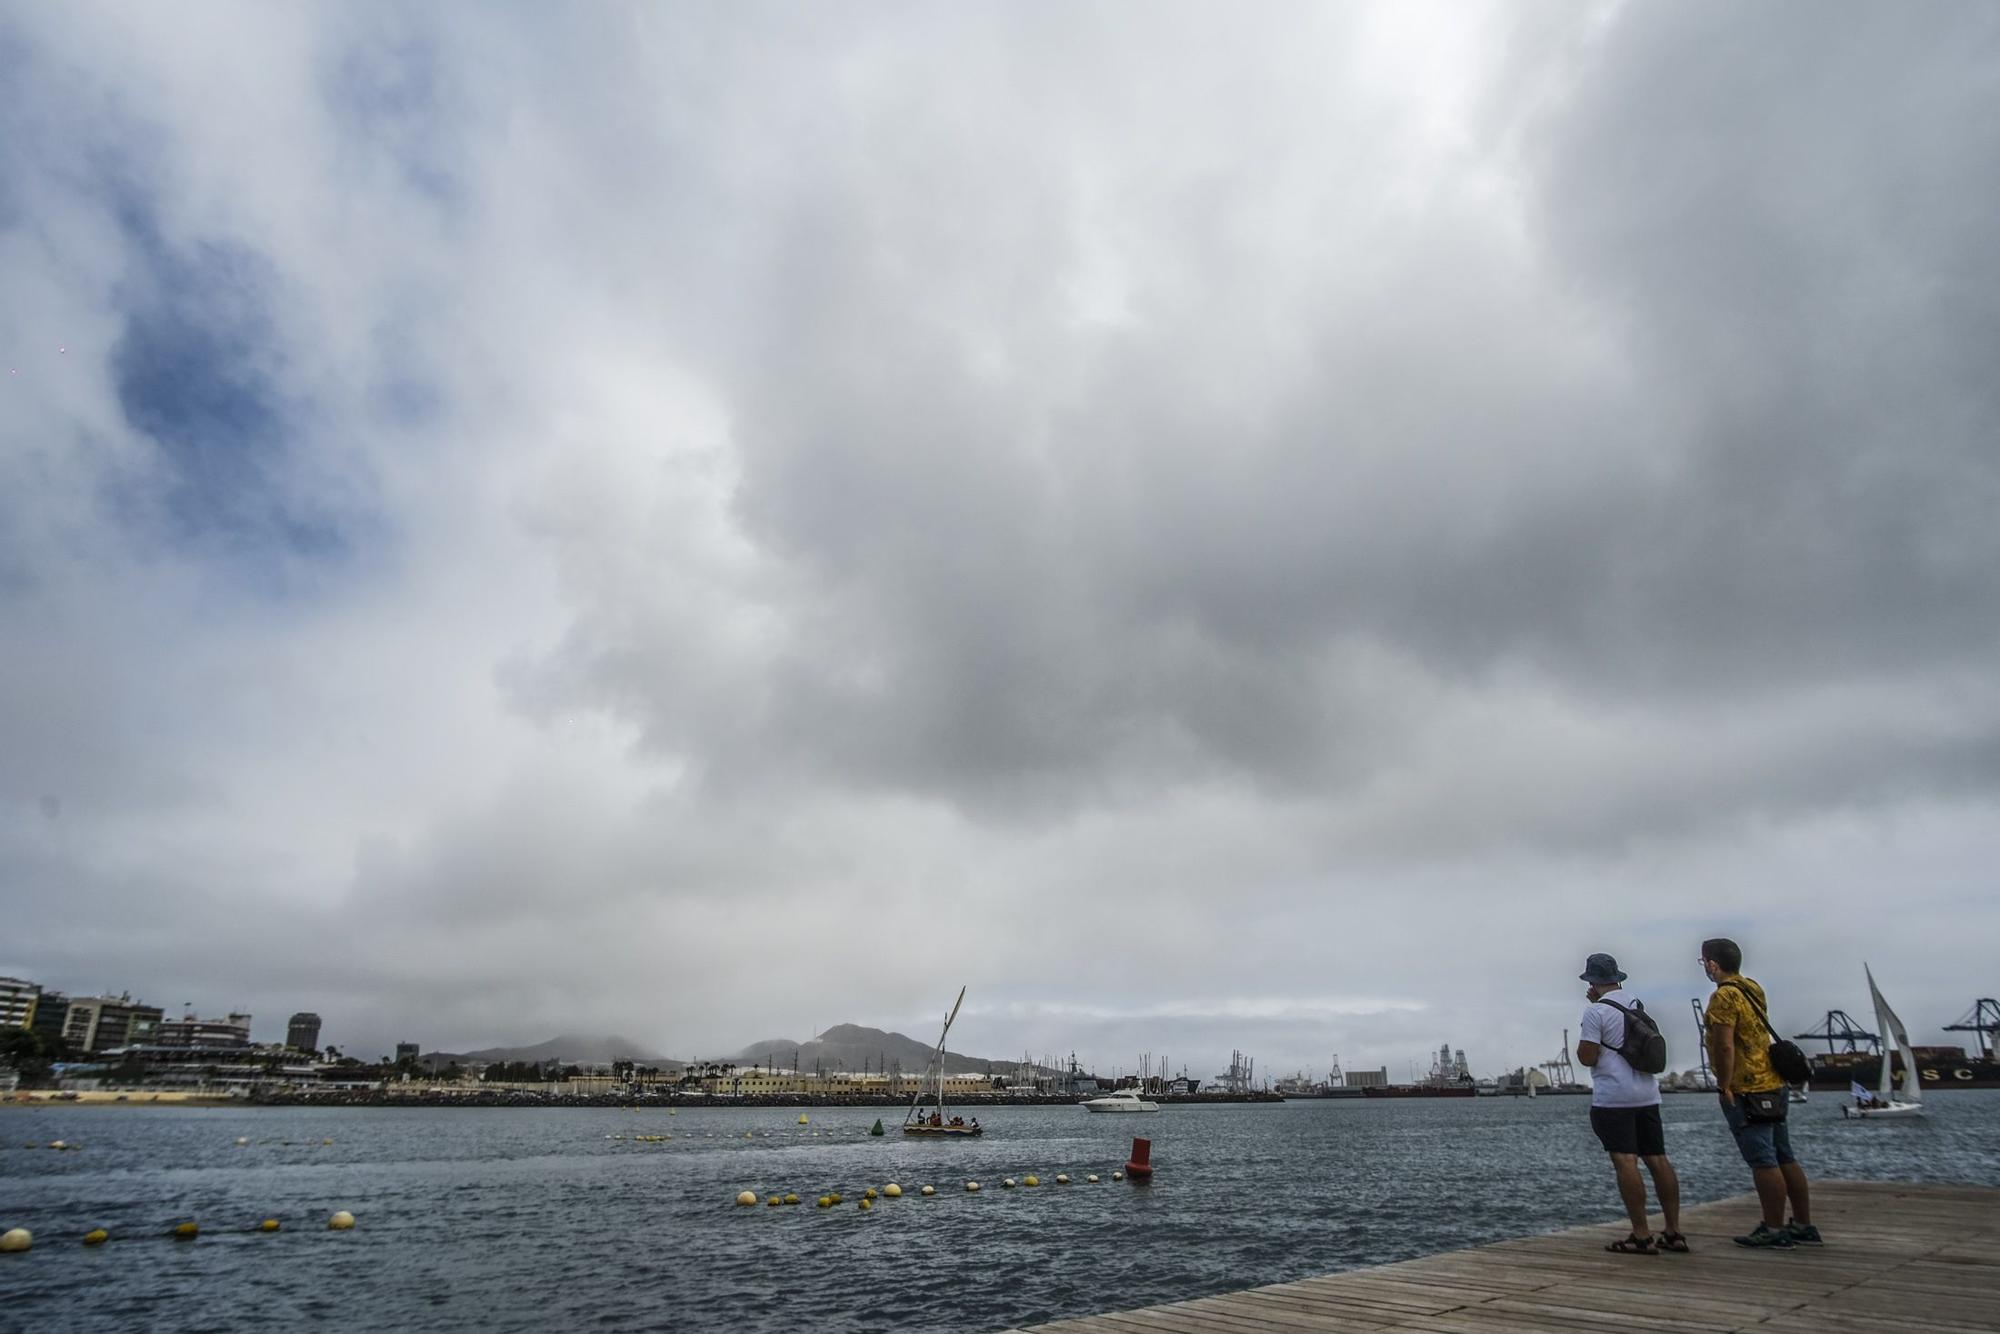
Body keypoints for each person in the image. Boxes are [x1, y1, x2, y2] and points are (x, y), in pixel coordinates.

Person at [1702, 937, 1821, 1249]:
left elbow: (1725, 1045)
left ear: (1714, 964)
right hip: (1775, 1082)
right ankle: (1803, 1225)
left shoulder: (1723, 997)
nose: (1705, 968)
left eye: (1704, 962)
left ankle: (1773, 1228)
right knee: (1785, 1155)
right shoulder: (1753, 987)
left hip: (1747, 1088)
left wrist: (1724, 1084)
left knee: (1764, 1161)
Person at [1575, 953, 1685, 1255]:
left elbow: (1588, 1056)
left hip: (1614, 1098)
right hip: (1648, 1094)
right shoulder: (1637, 1005)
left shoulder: (1595, 1012)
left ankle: (1641, 1234)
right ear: (1618, 977)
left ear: (1592, 982)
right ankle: (1674, 1231)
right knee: (1658, 1159)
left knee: (1626, 1161)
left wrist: (1593, 1011)